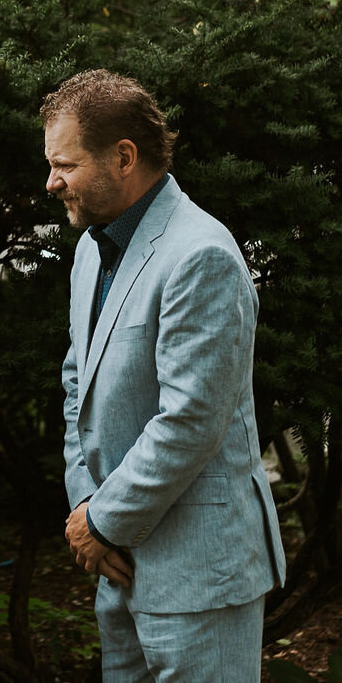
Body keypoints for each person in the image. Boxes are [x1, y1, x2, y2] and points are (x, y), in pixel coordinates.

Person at [43, 70, 286, 680]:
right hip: (116, 562)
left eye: (65, 164)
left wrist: (103, 521)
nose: (51, 182)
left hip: (200, 573)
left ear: (123, 157)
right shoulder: (89, 251)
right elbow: (79, 386)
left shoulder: (200, 254)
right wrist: (87, 510)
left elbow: (192, 418)